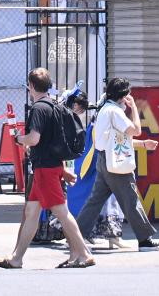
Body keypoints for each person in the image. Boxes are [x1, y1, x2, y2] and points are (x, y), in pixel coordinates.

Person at [0, 68, 95, 270]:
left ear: (30, 86)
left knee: (62, 213)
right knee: (31, 212)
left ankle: (83, 253)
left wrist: (19, 139)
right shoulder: (55, 106)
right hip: (50, 166)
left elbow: (34, 139)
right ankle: (16, 258)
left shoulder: (38, 108)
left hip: (45, 169)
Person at [75, 77, 159, 251]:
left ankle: (76, 236)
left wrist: (143, 144)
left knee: (95, 201)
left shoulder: (105, 110)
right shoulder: (115, 112)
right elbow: (136, 130)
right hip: (115, 164)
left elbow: (117, 141)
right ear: (123, 96)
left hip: (104, 160)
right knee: (130, 199)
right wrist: (135, 108)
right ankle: (144, 240)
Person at [66, 92, 125, 249]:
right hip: (95, 165)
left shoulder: (103, 117)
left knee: (109, 200)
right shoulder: (102, 119)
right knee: (94, 200)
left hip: (104, 163)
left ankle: (113, 236)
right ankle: (80, 236)